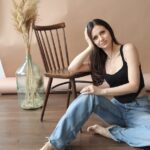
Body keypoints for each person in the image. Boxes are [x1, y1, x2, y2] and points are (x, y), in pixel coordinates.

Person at [40, 19, 150, 150]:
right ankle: (54, 143)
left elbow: (134, 85)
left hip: (138, 110)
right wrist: (90, 47)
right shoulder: (100, 61)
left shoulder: (127, 49)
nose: (101, 39)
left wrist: (101, 91)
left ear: (109, 30)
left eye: (102, 32)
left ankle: (110, 132)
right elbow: (72, 69)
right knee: (88, 96)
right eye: (95, 38)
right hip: (117, 109)